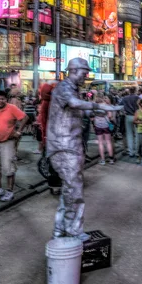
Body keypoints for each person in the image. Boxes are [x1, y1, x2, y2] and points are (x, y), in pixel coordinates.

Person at [46, 58, 121, 241]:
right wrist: (98, 105)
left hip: (70, 145)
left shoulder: (73, 89)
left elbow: (79, 110)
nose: (86, 77)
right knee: (74, 190)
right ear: (74, 70)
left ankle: (60, 229)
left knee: (69, 189)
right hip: (64, 146)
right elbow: (74, 104)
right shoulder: (64, 88)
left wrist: (99, 111)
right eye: (84, 73)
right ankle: (73, 230)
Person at [93, 96, 115, 165]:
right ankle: (111, 159)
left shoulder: (94, 106)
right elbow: (110, 116)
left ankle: (103, 160)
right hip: (106, 125)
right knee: (108, 142)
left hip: (97, 125)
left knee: (100, 143)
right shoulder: (106, 105)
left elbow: (91, 118)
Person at [121, 87, 139, 157]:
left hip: (128, 116)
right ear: (135, 91)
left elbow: (120, 105)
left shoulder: (125, 98)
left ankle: (131, 152)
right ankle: (137, 152)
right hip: (136, 116)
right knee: (137, 134)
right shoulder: (137, 98)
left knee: (129, 135)